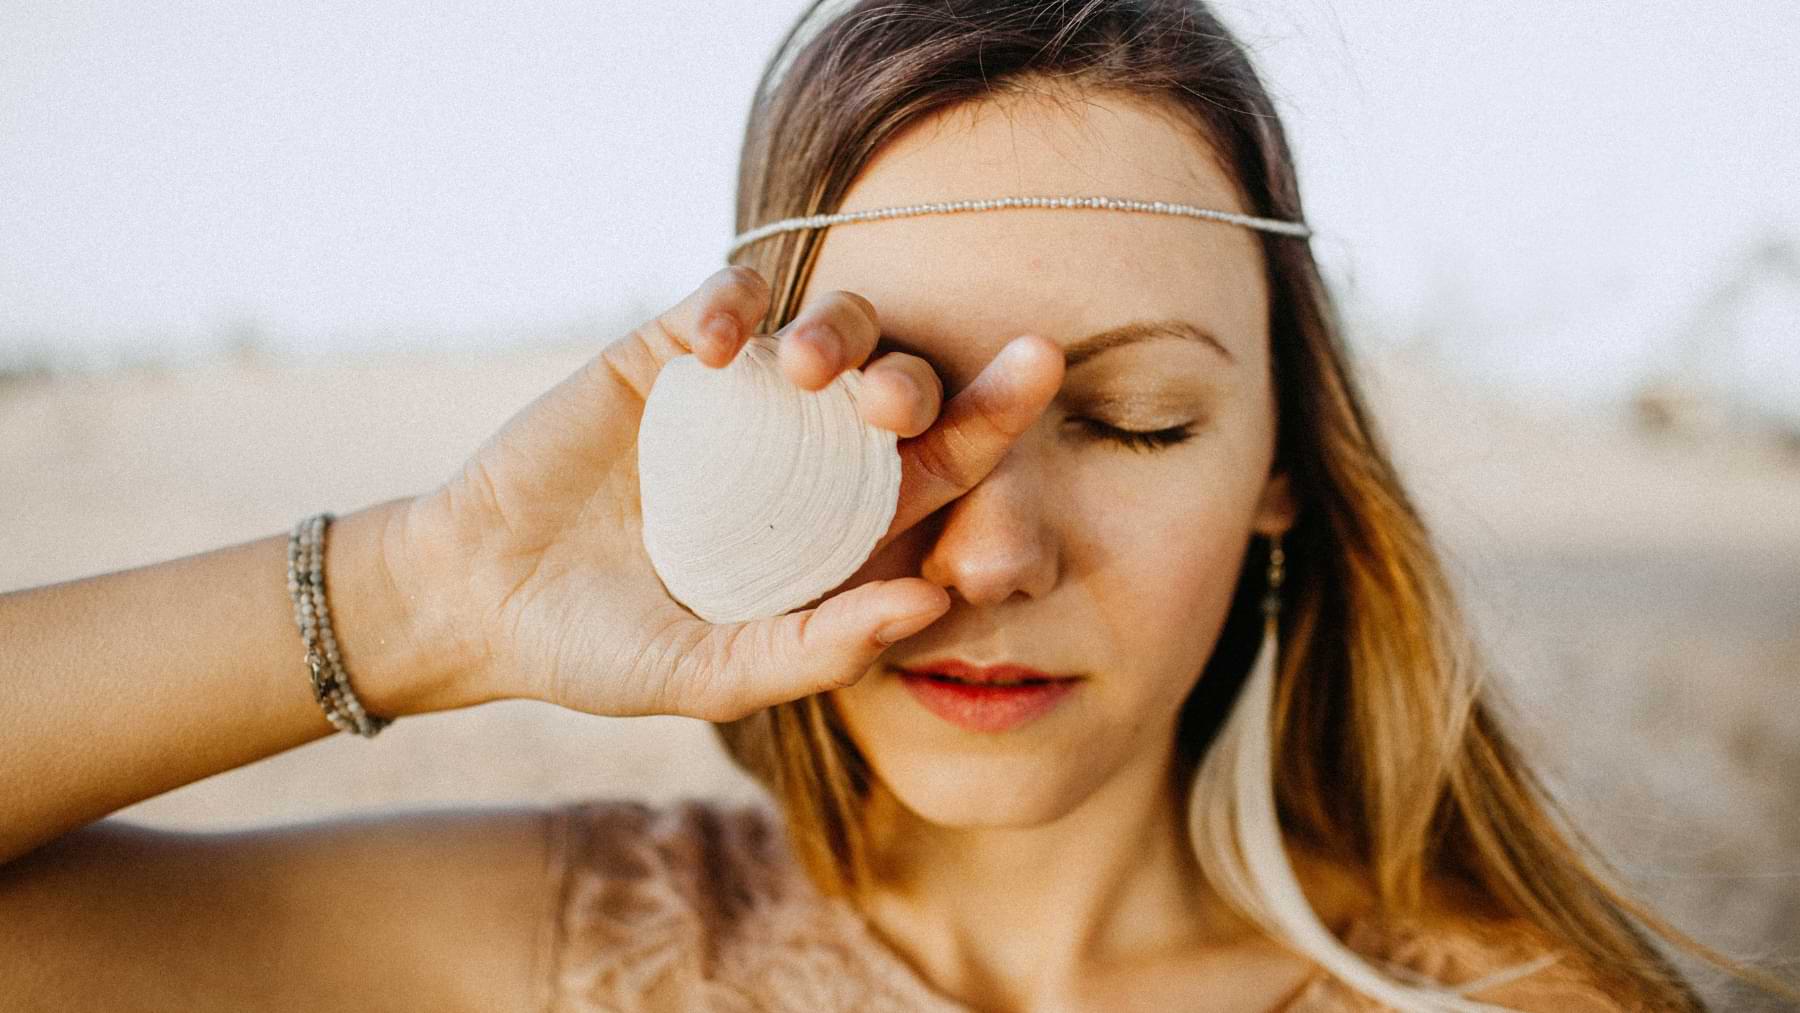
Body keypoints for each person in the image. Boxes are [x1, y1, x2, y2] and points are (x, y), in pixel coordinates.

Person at [2, 2, 1790, 1010]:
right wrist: (428, 586)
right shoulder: (566, 943)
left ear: (1282, 479)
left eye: (1139, 420)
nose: (991, 551)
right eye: (897, 419)